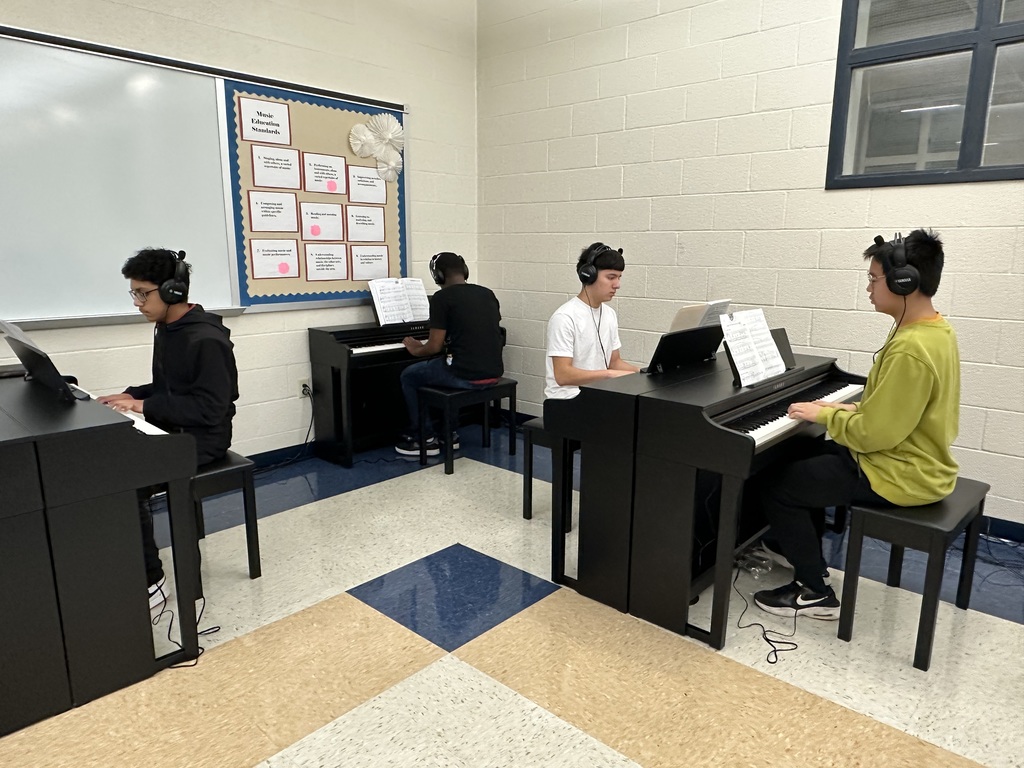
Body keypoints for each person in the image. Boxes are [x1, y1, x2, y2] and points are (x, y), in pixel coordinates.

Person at [753, 229, 960, 620]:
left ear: (904, 282)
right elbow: (899, 410)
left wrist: (827, 413)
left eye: (873, 279)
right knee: (802, 452)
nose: (868, 288)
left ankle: (814, 592)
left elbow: (874, 435)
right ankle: (798, 548)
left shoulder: (912, 348)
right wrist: (854, 410)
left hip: (900, 473)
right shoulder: (934, 330)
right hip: (907, 457)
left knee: (778, 484)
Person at [98, 248, 239, 609]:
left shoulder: (205, 339)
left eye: (143, 293)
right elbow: (169, 388)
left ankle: (152, 579)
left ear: (173, 291)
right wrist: (130, 393)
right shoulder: (167, 327)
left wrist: (142, 405)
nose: (137, 303)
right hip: (172, 429)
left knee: (125, 483)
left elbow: (211, 408)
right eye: (134, 293)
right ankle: (130, 561)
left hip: (201, 440)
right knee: (101, 463)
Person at [395, 252, 504, 456]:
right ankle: (450, 434)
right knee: (448, 363)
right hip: (493, 372)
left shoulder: (442, 298)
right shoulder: (487, 293)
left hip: (465, 376)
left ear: (438, 276)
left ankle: (425, 438)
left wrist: (416, 348)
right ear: (464, 271)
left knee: (409, 375)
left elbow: (434, 347)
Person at [545, 242, 639, 400]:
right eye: (611, 277)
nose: (617, 285)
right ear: (589, 275)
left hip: (597, 395)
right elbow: (563, 375)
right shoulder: (564, 318)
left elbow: (614, 362)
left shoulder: (609, 314)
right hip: (567, 401)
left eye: (619, 277)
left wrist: (644, 373)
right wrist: (609, 375)